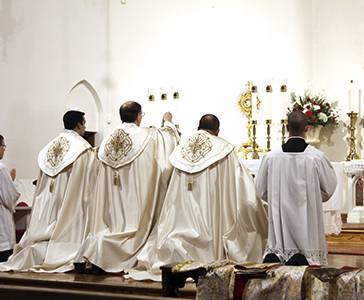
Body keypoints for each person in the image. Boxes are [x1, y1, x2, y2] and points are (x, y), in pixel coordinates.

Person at [127, 114, 268, 281]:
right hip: (210, 224)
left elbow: (166, 175)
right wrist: (260, 207)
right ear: (217, 131)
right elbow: (243, 189)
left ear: (198, 128)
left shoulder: (181, 148)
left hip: (177, 222)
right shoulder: (224, 149)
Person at [75, 101, 179, 274]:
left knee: (112, 223)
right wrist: (168, 122)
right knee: (134, 221)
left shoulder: (108, 138)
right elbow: (167, 138)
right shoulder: (148, 135)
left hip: (112, 198)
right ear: (139, 116)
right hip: (135, 198)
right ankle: (121, 250)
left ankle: (100, 252)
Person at [0, 111, 98, 272]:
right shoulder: (83, 149)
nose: (84, 127)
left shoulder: (48, 148)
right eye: (84, 124)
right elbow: (88, 182)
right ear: (79, 124)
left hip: (49, 203)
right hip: (70, 205)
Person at [255, 110, 336, 266]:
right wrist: (312, 197)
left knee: (278, 251)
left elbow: (261, 189)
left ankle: (278, 256)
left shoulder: (271, 157)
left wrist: (275, 197)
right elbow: (329, 188)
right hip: (308, 219)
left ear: (287, 128)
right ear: (307, 129)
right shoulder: (316, 157)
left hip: (280, 218)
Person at [0, 135, 20, 262]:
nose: (4, 149)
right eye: (3, 146)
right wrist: (12, 181)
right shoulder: (1, 169)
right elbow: (9, 197)